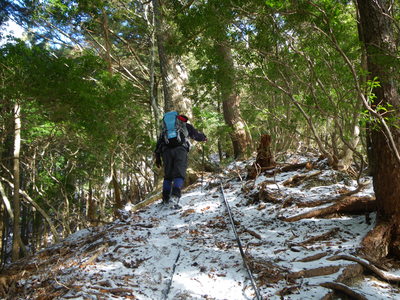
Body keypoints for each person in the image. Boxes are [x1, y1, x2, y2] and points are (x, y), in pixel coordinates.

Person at [154, 113, 207, 206]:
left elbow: (159, 144)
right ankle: (175, 196)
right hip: (180, 150)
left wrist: (157, 157)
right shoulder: (184, 126)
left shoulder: (165, 130)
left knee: (168, 176)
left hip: (166, 152)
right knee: (180, 174)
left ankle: (165, 198)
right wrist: (204, 137)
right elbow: (195, 135)